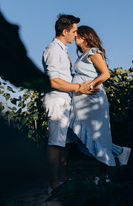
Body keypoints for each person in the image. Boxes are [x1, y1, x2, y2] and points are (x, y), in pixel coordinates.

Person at [42, 15, 97, 194]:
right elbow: (53, 81)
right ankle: (53, 184)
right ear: (64, 31)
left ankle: (63, 179)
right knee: (56, 142)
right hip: (57, 99)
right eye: (73, 31)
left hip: (65, 99)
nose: (76, 34)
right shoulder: (53, 49)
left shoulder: (62, 49)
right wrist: (78, 88)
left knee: (64, 142)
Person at [69, 25, 131, 184]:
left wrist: (89, 85)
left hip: (93, 101)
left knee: (98, 135)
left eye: (78, 34)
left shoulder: (93, 52)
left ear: (85, 36)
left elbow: (106, 74)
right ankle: (120, 151)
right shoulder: (81, 56)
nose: (75, 36)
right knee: (81, 137)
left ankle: (103, 175)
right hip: (82, 103)